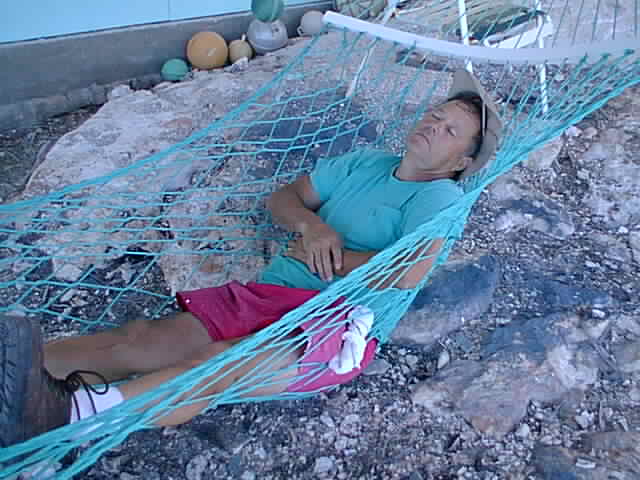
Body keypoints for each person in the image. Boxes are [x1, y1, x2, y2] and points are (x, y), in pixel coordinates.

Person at [1, 69, 502, 448]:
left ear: (461, 162)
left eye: (450, 131)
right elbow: (283, 198)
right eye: (435, 115)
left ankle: (63, 417)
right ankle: (12, 372)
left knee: (217, 365)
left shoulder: (440, 196)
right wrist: (311, 226)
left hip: (335, 322)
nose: (433, 125)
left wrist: (333, 258)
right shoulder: (367, 163)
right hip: (271, 292)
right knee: (138, 339)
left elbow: (410, 272)